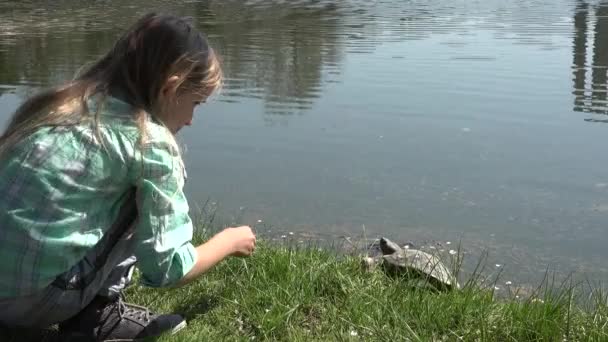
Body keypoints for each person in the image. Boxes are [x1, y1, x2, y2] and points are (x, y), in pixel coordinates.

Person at [0, 13, 256, 341]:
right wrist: (229, 240)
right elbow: (168, 267)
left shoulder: (62, 105)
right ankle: (98, 316)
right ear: (170, 87)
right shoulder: (148, 142)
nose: (191, 119)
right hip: (29, 304)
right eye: (196, 103)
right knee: (144, 190)